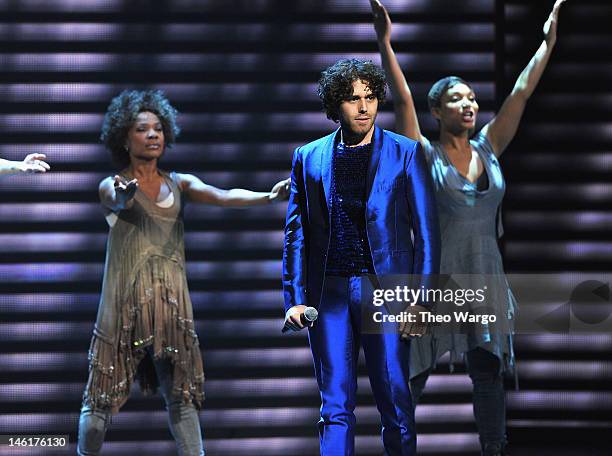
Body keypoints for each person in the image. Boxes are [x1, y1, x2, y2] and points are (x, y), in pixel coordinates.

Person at [370, 0, 567, 454]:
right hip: (437, 281)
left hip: (484, 278)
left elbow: (521, 92)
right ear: (436, 111)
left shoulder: (490, 147)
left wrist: (547, 44)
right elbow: (401, 100)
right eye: (457, 98)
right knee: (413, 374)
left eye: (473, 97)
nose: (469, 103)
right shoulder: (425, 155)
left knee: (488, 373)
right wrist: (384, 42)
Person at [77, 89, 290, 456]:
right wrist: (126, 196)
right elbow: (115, 197)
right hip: (122, 313)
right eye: (143, 129)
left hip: (170, 314)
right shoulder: (111, 184)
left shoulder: (180, 183)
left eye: (158, 128)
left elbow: (223, 195)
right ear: (124, 138)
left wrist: (268, 197)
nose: (153, 135)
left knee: (182, 401)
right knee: (97, 410)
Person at [282, 58, 440, 455]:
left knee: (395, 403)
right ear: (337, 104)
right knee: (334, 407)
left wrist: (421, 299)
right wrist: (295, 298)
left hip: (384, 292)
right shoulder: (309, 156)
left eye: (370, 97)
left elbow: (426, 232)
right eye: (353, 99)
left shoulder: (405, 153)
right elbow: (296, 234)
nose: (364, 107)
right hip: (329, 294)